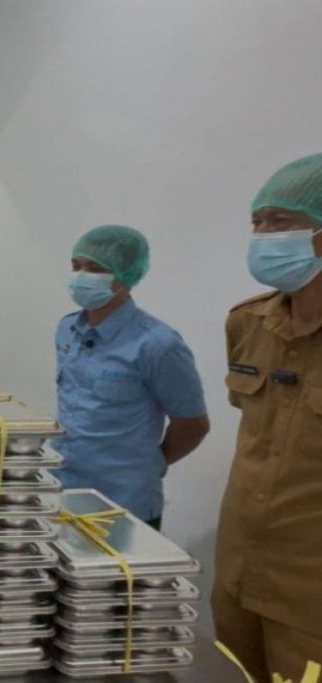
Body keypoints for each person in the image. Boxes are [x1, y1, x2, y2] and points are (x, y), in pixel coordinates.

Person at [213, 153, 322, 681]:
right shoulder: (247, 322)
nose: (262, 235)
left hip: (310, 596)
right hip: (238, 574)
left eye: (280, 222)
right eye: (257, 221)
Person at [54, 225, 210, 529]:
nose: (81, 276)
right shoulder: (67, 329)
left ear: (125, 275)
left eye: (95, 268)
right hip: (65, 490)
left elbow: (193, 424)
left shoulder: (158, 344)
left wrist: (152, 464)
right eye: (76, 266)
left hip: (124, 504)